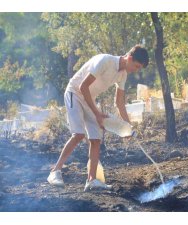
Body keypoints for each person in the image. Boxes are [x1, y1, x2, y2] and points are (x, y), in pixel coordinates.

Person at [47, 45, 149, 191]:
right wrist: (97, 113)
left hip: (89, 99)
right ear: (130, 58)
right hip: (74, 93)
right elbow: (83, 87)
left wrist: (128, 128)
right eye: (137, 66)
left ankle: (91, 180)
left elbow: (119, 103)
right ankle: (55, 172)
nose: (136, 70)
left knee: (96, 139)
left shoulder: (123, 75)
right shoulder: (105, 61)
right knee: (79, 134)